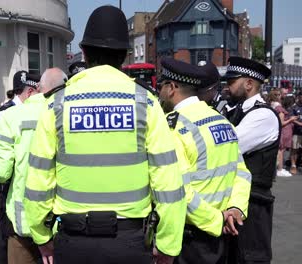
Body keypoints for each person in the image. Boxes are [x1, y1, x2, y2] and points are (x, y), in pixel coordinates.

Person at [24, 6, 186, 264]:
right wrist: (168, 244)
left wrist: (41, 236)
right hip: (129, 243)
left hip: (73, 242)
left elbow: (37, 181)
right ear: (124, 55)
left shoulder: (56, 104)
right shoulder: (146, 103)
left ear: (84, 53)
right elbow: (168, 182)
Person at [157, 58, 251, 264]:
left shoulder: (173, 127)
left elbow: (179, 190)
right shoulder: (222, 121)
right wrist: (235, 209)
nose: (159, 92)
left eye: (161, 86)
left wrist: (216, 221)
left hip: (192, 238)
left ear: (172, 87)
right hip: (226, 233)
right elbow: (241, 173)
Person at [0, 68, 67, 264]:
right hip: (60, 218)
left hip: (22, 219)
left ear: (37, 89)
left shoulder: (9, 116)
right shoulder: (66, 114)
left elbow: (1, 172)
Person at [223, 57, 279, 264]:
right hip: (239, 197)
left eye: (231, 82)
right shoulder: (237, 110)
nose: (227, 88)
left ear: (248, 83)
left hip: (254, 200)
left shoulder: (262, 115)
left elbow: (228, 146)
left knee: (250, 257)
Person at [0, 70, 40, 263]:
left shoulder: (16, 113)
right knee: (10, 237)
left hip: (19, 185)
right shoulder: (4, 116)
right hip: (8, 186)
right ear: (31, 92)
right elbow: (2, 162)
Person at [269, 90, 297, 177]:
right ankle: (279, 169)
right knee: (281, 150)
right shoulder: (279, 108)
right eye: (280, 94)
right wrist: (291, 119)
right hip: (281, 131)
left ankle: (278, 169)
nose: (282, 96)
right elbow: (281, 123)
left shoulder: (271, 105)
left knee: (279, 150)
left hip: (274, 130)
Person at [290, 88, 302, 175]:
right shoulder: (294, 106)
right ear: (299, 97)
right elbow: (291, 119)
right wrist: (300, 123)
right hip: (296, 132)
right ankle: (293, 165)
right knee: (294, 150)